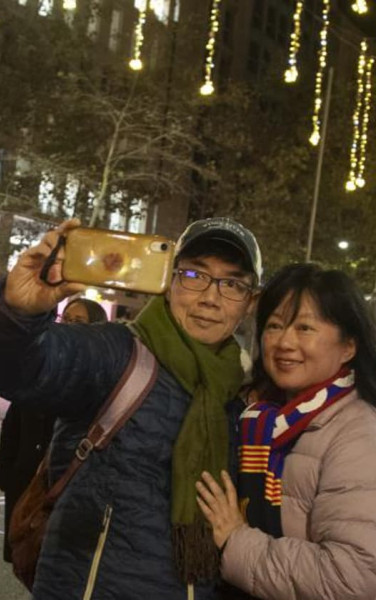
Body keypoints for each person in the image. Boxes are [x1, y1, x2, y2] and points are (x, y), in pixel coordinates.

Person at [0, 216, 262, 599]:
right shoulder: (117, 354)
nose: (210, 297)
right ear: (169, 283)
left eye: (233, 284)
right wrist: (18, 314)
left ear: (250, 303)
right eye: (194, 275)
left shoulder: (240, 398)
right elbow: (25, 368)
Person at [195, 263, 376, 600]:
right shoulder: (260, 417)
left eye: (305, 328)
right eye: (274, 326)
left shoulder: (366, 438)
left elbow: (350, 576)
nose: (285, 342)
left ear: (349, 347)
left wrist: (235, 541)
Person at [0, 297, 107, 563]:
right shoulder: (42, 368)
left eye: (78, 321)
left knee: (56, 565)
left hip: (69, 492)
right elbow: (13, 431)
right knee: (23, 556)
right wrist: (6, 474)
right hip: (25, 484)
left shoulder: (102, 379)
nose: (68, 325)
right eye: (65, 319)